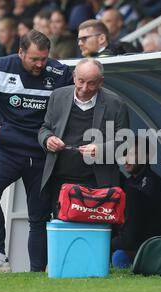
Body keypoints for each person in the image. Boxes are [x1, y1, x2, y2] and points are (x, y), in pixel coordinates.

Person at [0, 29, 73, 272]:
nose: (39, 64)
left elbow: (74, 105)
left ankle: (38, 272)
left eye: (43, 59)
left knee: (38, 216)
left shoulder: (59, 72)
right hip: (7, 149)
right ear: (20, 53)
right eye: (34, 59)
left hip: (42, 152)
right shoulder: (1, 67)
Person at [38, 58, 129, 216]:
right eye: (81, 81)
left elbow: (125, 142)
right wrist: (48, 140)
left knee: (94, 231)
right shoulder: (58, 96)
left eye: (91, 83)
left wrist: (100, 150)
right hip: (60, 181)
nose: (85, 88)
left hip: (97, 183)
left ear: (101, 82)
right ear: (73, 76)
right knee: (62, 232)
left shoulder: (116, 104)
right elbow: (45, 128)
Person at [111, 137, 161, 268]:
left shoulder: (153, 184)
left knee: (119, 256)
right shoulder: (129, 183)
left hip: (149, 246)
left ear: (146, 157)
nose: (126, 159)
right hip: (133, 241)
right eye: (125, 154)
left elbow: (136, 232)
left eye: (132, 154)